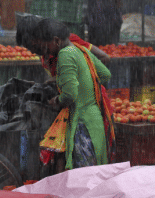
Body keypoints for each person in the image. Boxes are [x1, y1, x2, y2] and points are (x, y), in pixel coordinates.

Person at [32, 18, 112, 171]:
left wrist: (56, 100)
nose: (45, 50)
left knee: (83, 175)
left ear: (56, 40)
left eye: (45, 45)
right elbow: (104, 74)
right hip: (95, 119)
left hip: (81, 123)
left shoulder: (65, 54)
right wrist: (86, 86)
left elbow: (70, 95)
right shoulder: (79, 49)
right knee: (96, 174)